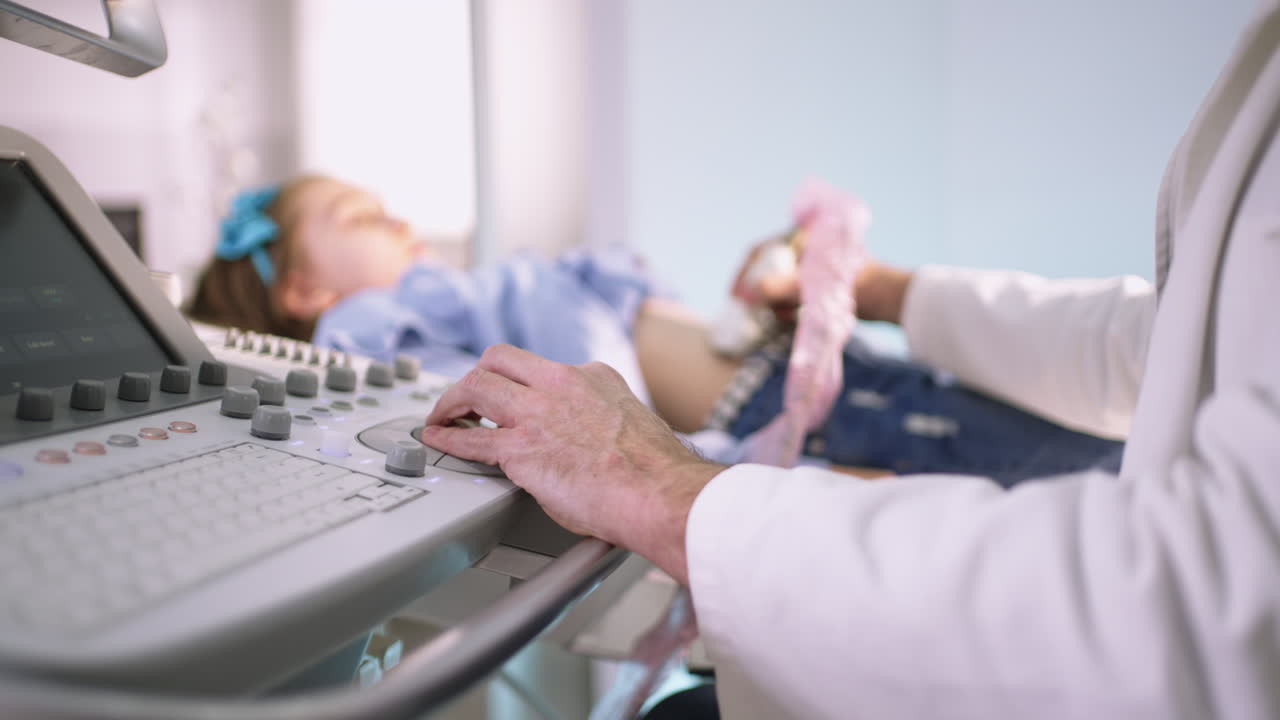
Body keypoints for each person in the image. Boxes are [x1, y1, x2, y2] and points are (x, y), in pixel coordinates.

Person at [418, 5, 1280, 719]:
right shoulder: (418, 305)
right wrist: (883, 288)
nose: (386, 222)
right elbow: (1174, 332)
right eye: (351, 215)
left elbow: (1217, 613)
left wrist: (667, 488)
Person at [188, 177, 1123, 484]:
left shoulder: (458, 291)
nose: (398, 222)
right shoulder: (364, 325)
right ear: (305, 288)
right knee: (1062, 462)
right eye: (361, 218)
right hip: (787, 402)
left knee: (1042, 441)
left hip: (799, 377)